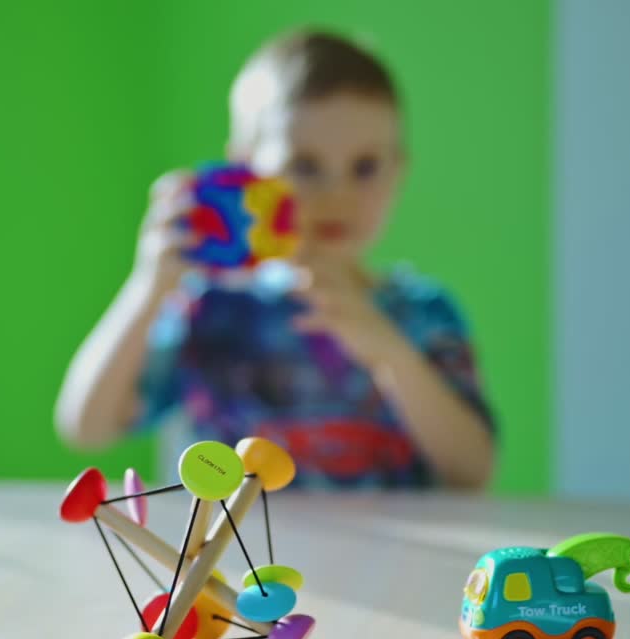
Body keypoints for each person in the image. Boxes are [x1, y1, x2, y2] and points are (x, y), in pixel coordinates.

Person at [55, 29, 495, 489]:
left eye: (364, 167)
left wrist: (390, 351)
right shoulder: (211, 307)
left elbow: (473, 473)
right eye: (304, 166)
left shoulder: (425, 314)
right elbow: (87, 428)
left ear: (398, 172)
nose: (336, 195)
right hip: (237, 556)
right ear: (244, 171)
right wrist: (148, 289)